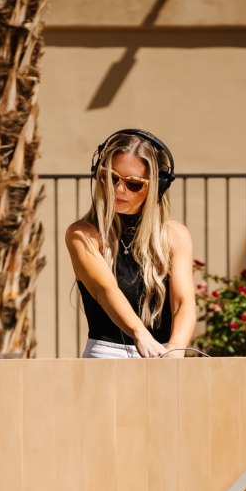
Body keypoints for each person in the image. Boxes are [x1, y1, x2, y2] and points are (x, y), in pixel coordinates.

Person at [65, 129, 196, 358]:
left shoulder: (175, 235)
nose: (118, 189)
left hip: (164, 352)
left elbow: (183, 303)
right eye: (111, 177)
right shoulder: (82, 234)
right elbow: (105, 290)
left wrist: (176, 349)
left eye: (134, 184)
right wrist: (140, 334)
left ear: (157, 186)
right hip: (107, 354)